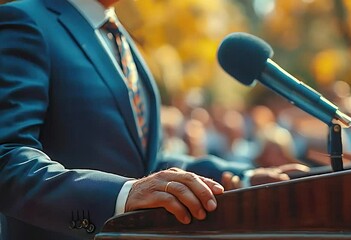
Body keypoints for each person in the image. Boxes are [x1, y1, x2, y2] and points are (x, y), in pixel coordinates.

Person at [0, 0, 298, 239]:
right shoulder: (24, 21)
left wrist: (239, 180)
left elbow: (146, 165)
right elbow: (8, 160)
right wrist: (122, 194)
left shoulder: (120, 38)